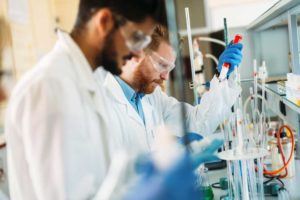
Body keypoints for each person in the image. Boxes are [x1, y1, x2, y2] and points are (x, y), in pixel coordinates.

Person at [5, 1, 167, 199]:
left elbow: (100, 182)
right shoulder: (52, 86)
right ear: (105, 21)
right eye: (136, 38)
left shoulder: (90, 81)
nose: (138, 54)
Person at [98, 25, 243, 152]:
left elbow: (198, 123)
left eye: (170, 68)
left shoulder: (152, 96)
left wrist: (221, 76)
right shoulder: (102, 102)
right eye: (161, 65)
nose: (166, 77)